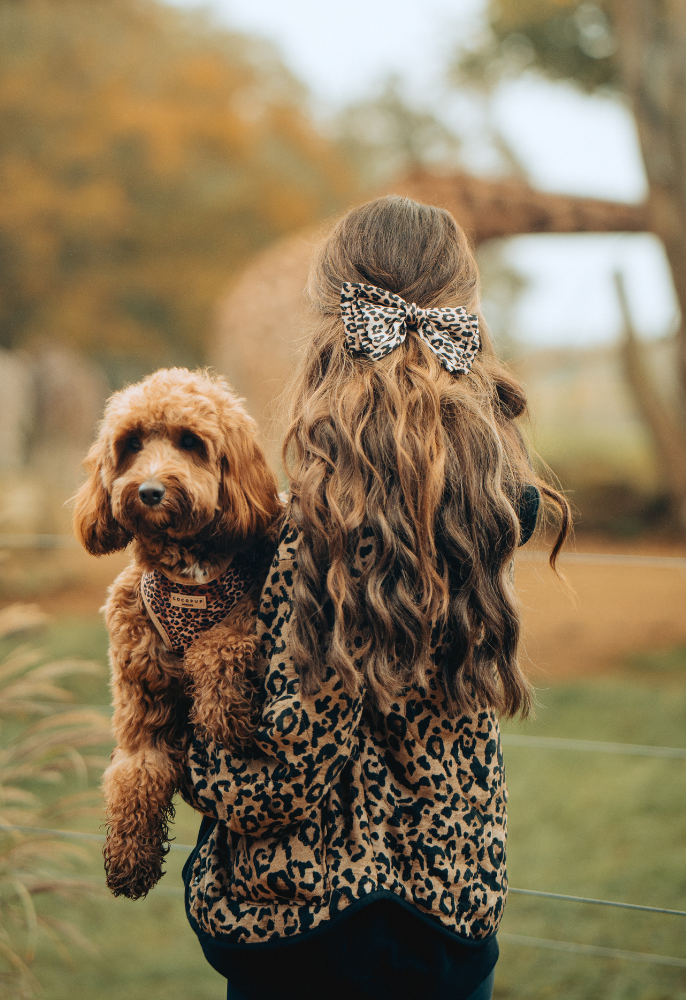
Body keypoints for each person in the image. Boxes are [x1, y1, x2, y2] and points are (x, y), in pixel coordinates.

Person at [181, 195, 570, 1000]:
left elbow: (286, 776)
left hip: (314, 933)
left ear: (331, 329)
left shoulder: (311, 535)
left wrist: (192, 758)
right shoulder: (497, 511)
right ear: (464, 322)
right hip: (450, 922)